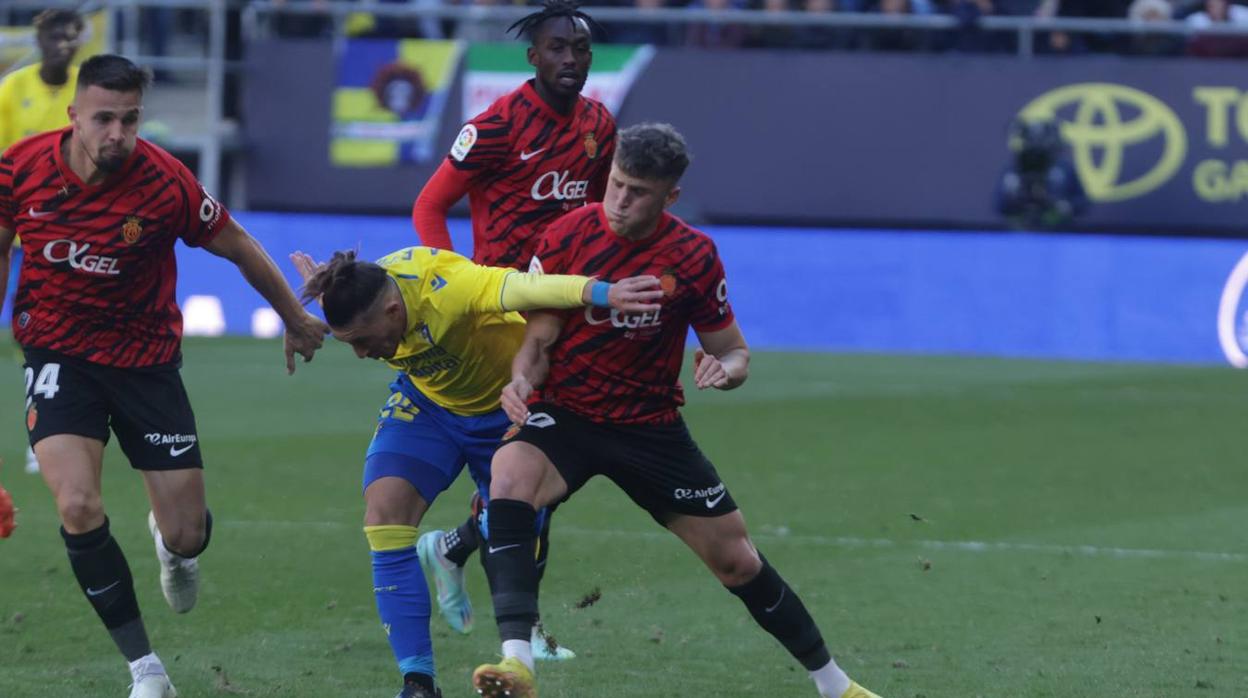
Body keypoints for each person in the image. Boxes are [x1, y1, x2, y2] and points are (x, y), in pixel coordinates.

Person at [468, 123, 884, 698]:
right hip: (568, 414)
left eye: (637, 192)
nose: (619, 201)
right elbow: (538, 339)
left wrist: (725, 371)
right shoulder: (566, 234)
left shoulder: (693, 255)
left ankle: (837, 686)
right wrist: (520, 379)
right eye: (615, 183)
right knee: (509, 476)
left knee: (737, 561)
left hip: (650, 428)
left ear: (670, 196)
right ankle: (517, 663)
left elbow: (733, 351)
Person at [0, 54, 328, 698]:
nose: (118, 133)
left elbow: (237, 244)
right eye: (104, 119)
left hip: (145, 362)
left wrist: (293, 317)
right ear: (73, 116)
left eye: (130, 119)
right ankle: (146, 670)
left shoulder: (164, 183)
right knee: (77, 504)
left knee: (188, 532)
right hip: (58, 353)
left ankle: (172, 546)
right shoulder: (19, 168)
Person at [291, 245, 661, 698]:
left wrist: (605, 293)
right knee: (384, 515)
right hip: (429, 406)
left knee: (509, 529)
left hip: (505, 410)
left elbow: (530, 287)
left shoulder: (450, 289)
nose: (362, 354)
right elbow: (345, 310)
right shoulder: (362, 294)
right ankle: (418, 683)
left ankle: (454, 549)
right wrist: (299, 314)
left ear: (393, 310)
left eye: (363, 341)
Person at [410, 0, 615, 657]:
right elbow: (430, 205)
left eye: (580, 49)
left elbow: (601, 217)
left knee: (546, 467)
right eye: (557, 48)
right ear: (532, 57)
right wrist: (454, 284)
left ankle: (456, 548)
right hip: (503, 316)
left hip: (563, 313)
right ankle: (522, 631)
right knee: (530, 464)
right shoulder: (497, 125)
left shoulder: (599, 125)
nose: (570, 59)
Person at [0, 8, 85, 476]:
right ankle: (46, 428)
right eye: (55, 36)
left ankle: (55, 431)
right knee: (29, 328)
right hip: (15, 229)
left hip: (74, 234)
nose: (62, 44)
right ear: (40, 40)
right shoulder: (12, 90)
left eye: (71, 37)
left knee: (62, 332)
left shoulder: (87, 92)